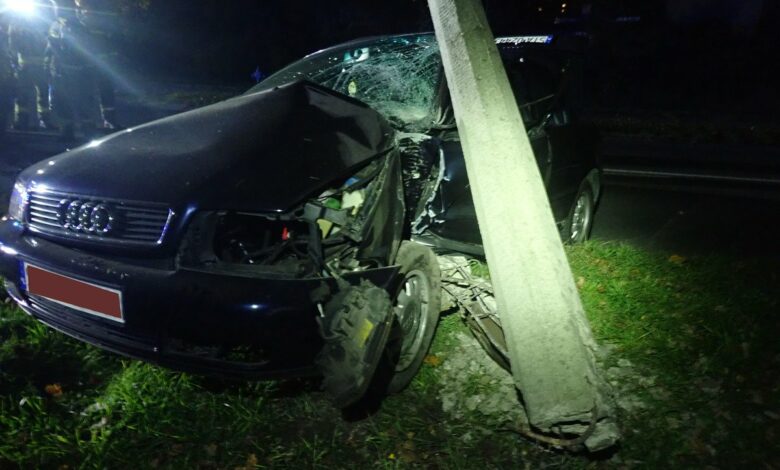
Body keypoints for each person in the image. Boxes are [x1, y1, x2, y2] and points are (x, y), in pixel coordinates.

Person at [47, 0, 101, 140]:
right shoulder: (58, 25)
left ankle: (86, 129)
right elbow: (51, 47)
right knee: (64, 100)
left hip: (76, 69)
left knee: (81, 99)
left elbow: (86, 47)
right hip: (65, 69)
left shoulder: (77, 24)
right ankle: (70, 130)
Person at [8, 0, 58, 130]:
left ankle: (44, 120)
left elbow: (50, 38)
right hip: (25, 64)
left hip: (40, 64)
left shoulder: (42, 21)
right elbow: (13, 41)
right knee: (23, 94)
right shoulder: (18, 22)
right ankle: (22, 120)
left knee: (43, 94)